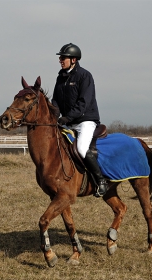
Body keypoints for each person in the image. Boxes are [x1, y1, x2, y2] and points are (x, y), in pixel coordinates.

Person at [51, 43, 108, 197]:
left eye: (63, 57)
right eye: (60, 57)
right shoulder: (60, 77)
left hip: (85, 121)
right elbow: (55, 101)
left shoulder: (85, 76)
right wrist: (54, 116)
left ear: (73, 59)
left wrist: (68, 117)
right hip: (69, 122)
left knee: (82, 148)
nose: (60, 60)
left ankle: (100, 181)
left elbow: (84, 102)